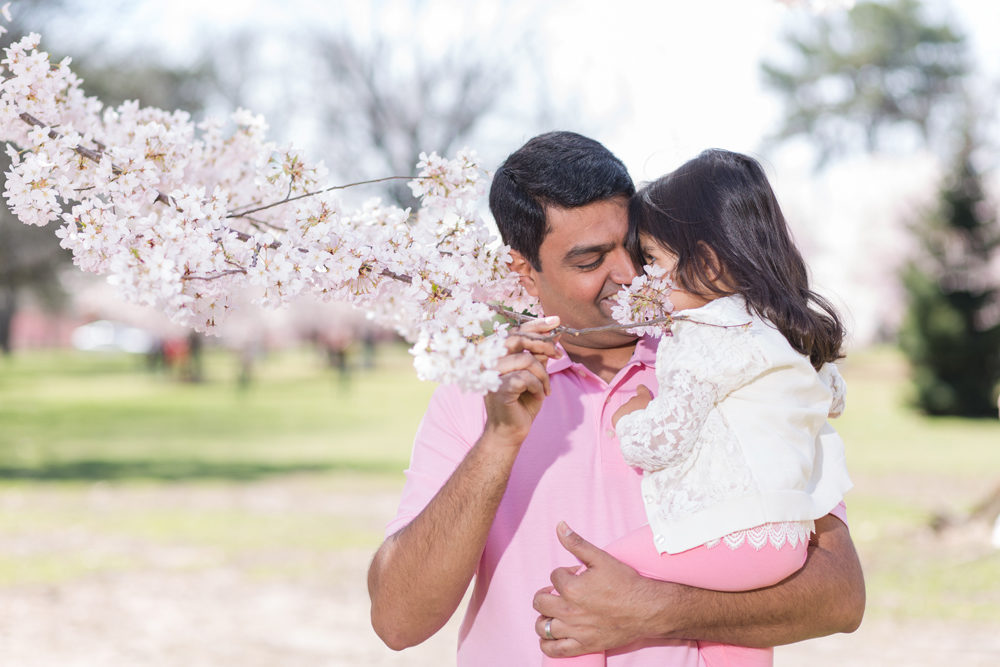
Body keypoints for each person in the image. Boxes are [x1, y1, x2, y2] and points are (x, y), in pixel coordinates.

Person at [367, 131, 865, 666]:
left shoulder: (729, 359)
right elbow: (398, 622)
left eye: (633, 248)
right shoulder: (475, 395)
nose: (628, 276)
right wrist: (498, 441)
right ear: (523, 271)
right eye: (589, 261)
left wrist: (658, 609)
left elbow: (840, 594)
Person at [542, 149, 854, 667]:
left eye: (657, 263)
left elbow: (664, 441)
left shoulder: (701, 336)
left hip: (723, 533)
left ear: (707, 263)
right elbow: (832, 400)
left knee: (582, 592)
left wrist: (630, 419)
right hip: (786, 541)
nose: (647, 281)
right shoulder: (787, 330)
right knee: (734, 640)